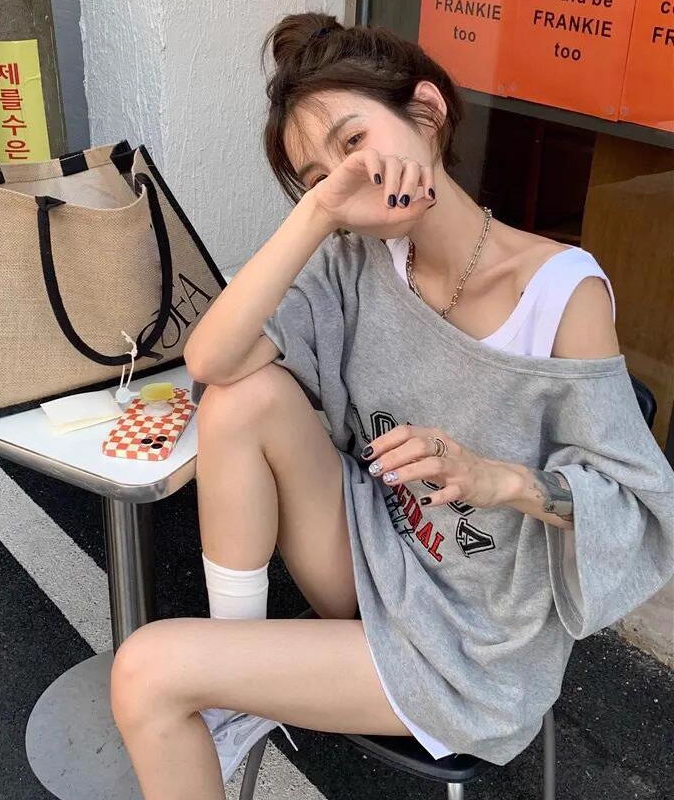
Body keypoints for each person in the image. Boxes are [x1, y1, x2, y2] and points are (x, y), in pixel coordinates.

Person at [108, 12, 674, 799]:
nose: (346, 184)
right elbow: (211, 360)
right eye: (318, 179)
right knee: (243, 396)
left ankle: (224, 686)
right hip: (373, 558)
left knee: (145, 671)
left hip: (471, 644)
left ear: (428, 113)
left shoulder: (559, 295)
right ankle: (236, 677)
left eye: (353, 144)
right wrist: (316, 216)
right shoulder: (359, 260)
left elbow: (635, 503)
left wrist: (498, 478)